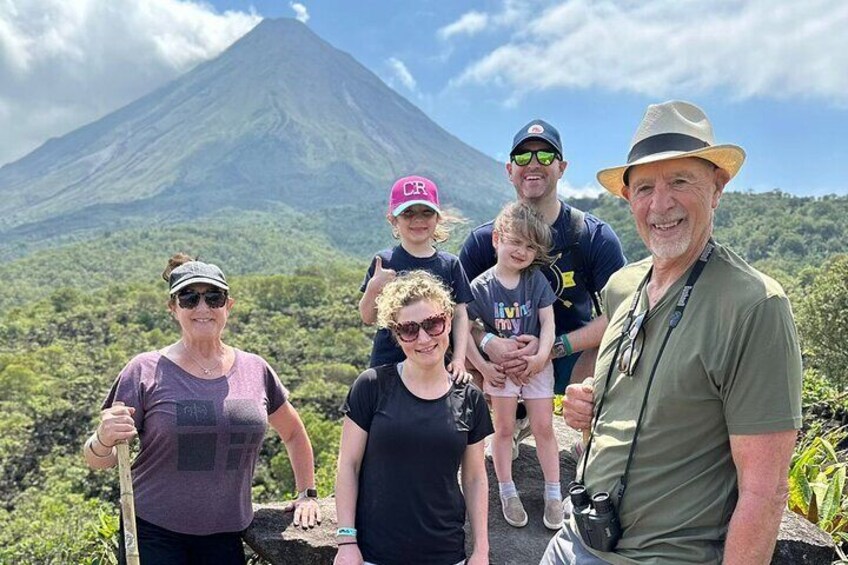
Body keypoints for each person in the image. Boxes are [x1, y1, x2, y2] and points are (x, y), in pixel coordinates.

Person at [542, 100, 802, 564]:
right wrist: (589, 405)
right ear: (628, 199)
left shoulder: (754, 307)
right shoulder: (623, 286)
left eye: (680, 181)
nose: (660, 204)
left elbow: (765, 492)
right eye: (644, 188)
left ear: (717, 188)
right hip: (574, 538)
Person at [84, 254, 321, 565]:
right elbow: (100, 459)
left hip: (226, 535)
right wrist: (103, 439)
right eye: (189, 298)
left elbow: (292, 433)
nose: (202, 308)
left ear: (228, 305)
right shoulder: (144, 370)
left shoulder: (255, 368)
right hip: (154, 532)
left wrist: (307, 494)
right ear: (173, 307)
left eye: (213, 298)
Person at [460, 119, 626, 451]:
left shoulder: (591, 236)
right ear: (510, 170)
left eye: (545, 156)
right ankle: (493, 432)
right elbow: (454, 313)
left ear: (562, 167)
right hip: (503, 359)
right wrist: (488, 341)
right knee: (459, 355)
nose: (533, 164)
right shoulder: (484, 241)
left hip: (569, 355)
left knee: (615, 349)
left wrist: (553, 348)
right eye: (523, 157)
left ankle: (591, 442)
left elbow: (621, 313)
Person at [336, 271, 492, 565]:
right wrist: (346, 541)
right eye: (409, 329)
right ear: (396, 335)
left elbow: (474, 478)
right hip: (375, 554)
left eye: (433, 324)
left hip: (445, 554)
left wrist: (481, 550)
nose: (423, 338)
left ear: (447, 320)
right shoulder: (371, 386)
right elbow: (348, 465)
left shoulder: (470, 398)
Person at [466, 202, 562, 531]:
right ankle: (507, 490)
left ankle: (553, 492)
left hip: (534, 366)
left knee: (543, 427)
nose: (522, 251)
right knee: (504, 429)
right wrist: (483, 365)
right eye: (515, 241)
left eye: (530, 246)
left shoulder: (535, 281)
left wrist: (541, 357)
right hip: (502, 369)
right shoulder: (480, 286)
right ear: (497, 239)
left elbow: (548, 323)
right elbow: (462, 328)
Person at [360, 175, 472, 381]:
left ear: (438, 217)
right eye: (408, 213)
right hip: (388, 367)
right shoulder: (383, 261)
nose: (418, 220)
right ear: (393, 219)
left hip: (438, 366)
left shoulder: (450, 264)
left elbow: (461, 315)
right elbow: (368, 317)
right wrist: (374, 287)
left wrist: (458, 360)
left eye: (426, 212)